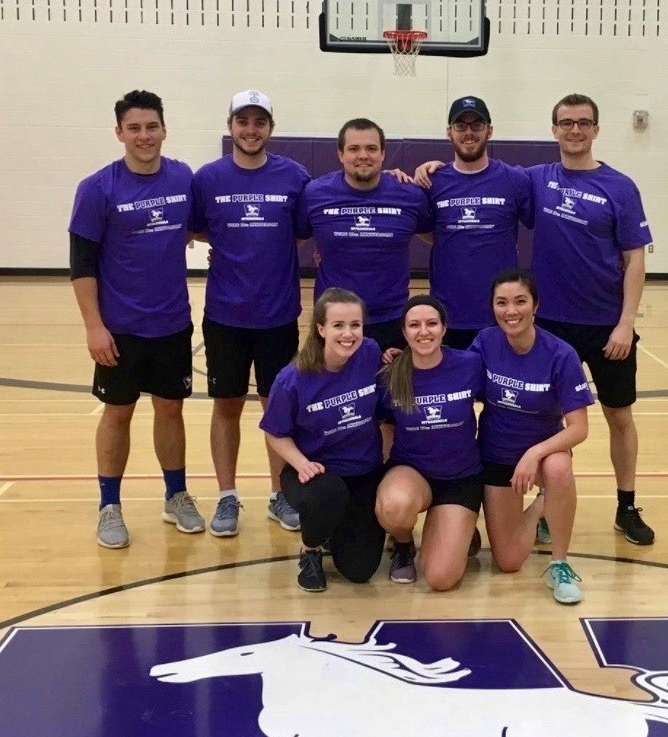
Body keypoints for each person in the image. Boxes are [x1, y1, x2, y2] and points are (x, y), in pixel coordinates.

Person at [68, 90, 204, 549]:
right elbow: (81, 264)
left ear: (164, 129)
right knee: (118, 413)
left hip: (172, 322)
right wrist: (93, 326)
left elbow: (197, 225)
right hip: (119, 328)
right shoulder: (97, 188)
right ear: (119, 133)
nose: (144, 136)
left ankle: (175, 494)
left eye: (151, 127)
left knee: (171, 409)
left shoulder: (183, 177)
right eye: (134, 128)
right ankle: (109, 505)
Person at [527, 93, 655, 546]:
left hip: (606, 327)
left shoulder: (620, 187)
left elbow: (635, 259)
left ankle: (626, 506)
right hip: (549, 328)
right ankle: (546, 507)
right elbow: (481, 180)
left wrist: (625, 323)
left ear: (596, 130)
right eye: (566, 123)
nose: (574, 130)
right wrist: (429, 169)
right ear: (554, 129)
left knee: (619, 416)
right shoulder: (537, 180)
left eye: (583, 123)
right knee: (549, 422)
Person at [190, 90, 310, 538]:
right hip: (224, 315)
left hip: (278, 314)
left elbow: (299, 233)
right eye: (244, 121)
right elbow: (199, 227)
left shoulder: (294, 176)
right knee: (227, 405)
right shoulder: (208, 179)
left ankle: (280, 495)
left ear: (270, 129)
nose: (251, 129)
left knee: (276, 407)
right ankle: (226, 495)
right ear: (230, 125)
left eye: (260, 121)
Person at [469, 269, 593, 604]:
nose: (511, 311)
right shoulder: (485, 343)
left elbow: (579, 429)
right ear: (493, 308)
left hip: (541, 454)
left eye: (520, 301)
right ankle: (543, 505)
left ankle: (560, 563)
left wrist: (534, 453)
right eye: (502, 303)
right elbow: (452, 378)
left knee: (557, 469)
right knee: (508, 562)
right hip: (496, 455)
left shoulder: (561, 354)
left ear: (535, 305)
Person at [258, 288, 386, 592]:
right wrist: (301, 464)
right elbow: (275, 432)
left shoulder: (369, 352)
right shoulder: (292, 379)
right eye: (338, 325)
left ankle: (335, 527)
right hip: (317, 473)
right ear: (321, 329)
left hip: (364, 471)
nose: (348, 334)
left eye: (355, 325)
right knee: (327, 496)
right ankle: (311, 550)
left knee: (360, 571)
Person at [375, 295, 484, 590]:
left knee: (440, 578)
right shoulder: (391, 375)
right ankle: (402, 544)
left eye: (431, 323)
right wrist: (381, 476)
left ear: (444, 328)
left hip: (460, 478)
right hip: (413, 472)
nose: (424, 332)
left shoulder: (470, 365)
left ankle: (458, 527)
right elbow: (384, 424)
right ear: (405, 331)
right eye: (414, 325)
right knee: (394, 506)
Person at [296, 118, 434, 351]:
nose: (363, 155)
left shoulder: (409, 194)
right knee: (333, 388)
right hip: (334, 320)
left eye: (371, 148)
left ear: (382, 154)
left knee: (390, 388)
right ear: (340, 154)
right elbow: (289, 242)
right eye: (353, 149)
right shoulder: (314, 194)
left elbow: (438, 238)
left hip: (390, 319)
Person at [426, 96, 534, 351]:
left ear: (490, 130)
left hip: (502, 317)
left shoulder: (515, 180)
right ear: (449, 132)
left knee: (498, 392)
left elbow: (549, 225)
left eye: (477, 125)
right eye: (460, 126)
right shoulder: (433, 182)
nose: (469, 133)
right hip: (447, 315)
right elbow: (424, 230)